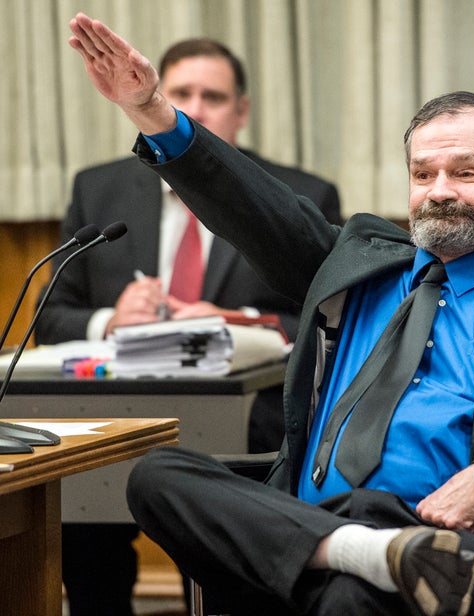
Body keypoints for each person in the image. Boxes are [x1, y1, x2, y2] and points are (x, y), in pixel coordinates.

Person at [68, 13, 474, 616]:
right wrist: (151, 110)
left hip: (466, 546)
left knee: (352, 597)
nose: (439, 190)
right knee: (156, 475)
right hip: (319, 519)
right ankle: (359, 551)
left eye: (465, 172)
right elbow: (252, 204)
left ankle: (366, 558)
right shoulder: (361, 262)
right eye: (423, 173)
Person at [38, 34, 341, 616]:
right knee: (75, 513)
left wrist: (235, 320)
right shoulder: (98, 190)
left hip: (243, 413)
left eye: (213, 96)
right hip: (111, 412)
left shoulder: (300, 194)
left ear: (242, 111)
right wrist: (108, 319)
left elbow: (327, 317)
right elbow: (51, 315)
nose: (196, 109)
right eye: (181, 93)